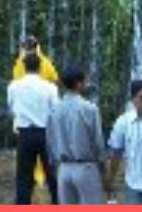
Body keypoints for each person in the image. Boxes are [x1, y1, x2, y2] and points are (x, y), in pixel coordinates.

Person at [46, 66, 110, 204]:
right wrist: (103, 170)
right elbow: (97, 142)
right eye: (85, 81)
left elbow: (50, 141)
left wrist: (53, 167)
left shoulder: (54, 110)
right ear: (78, 84)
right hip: (86, 168)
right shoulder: (89, 109)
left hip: (63, 168)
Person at [7, 51, 59, 204]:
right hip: (45, 133)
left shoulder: (14, 86)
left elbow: (11, 109)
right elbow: (55, 111)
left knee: (24, 176)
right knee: (52, 174)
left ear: (23, 66)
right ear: (40, 66)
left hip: (24, 133)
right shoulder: (50, 88)